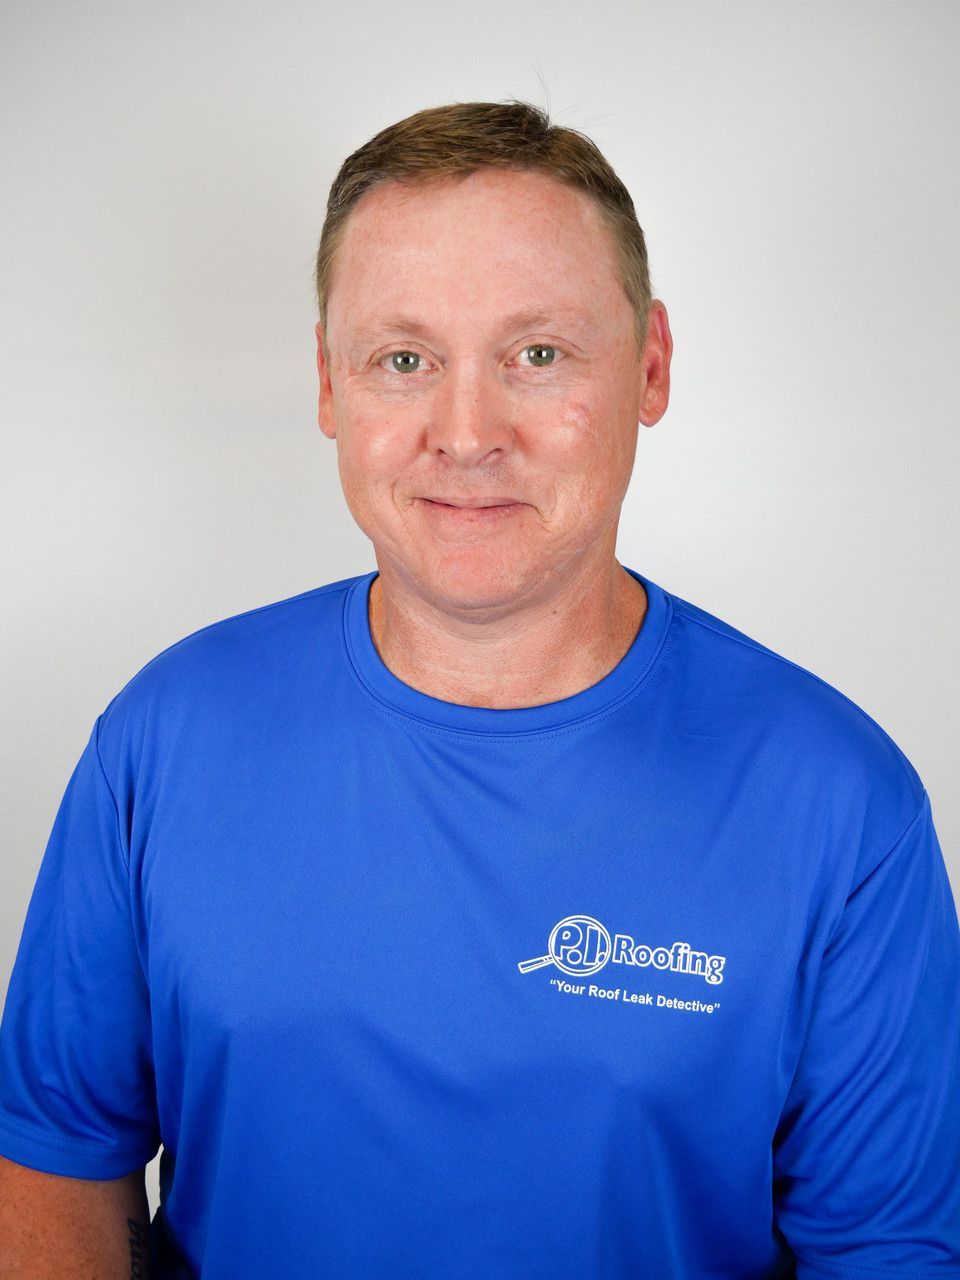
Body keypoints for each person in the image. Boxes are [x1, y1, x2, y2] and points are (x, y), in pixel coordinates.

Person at [0, 99, 958, 1280]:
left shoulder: (840, 801)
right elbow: (52, 1162)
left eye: (537, 354)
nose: (466, 432)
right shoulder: (164, 739)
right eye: (405, 359)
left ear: (651, 365)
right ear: (327, 383)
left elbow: (888, 1253)